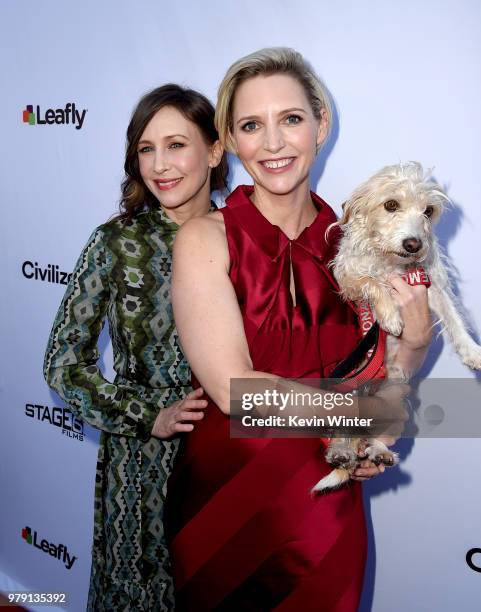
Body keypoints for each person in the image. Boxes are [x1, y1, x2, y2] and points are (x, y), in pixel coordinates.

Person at [164, 49, 432, 611]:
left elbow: (387, 379)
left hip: (322, 507)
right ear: (231, 142)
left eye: (290, 119)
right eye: (251, 126)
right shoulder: (204, 240)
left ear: (321, 124)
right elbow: (235, 393)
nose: (274, 143)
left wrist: (413, 343)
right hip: (223, 504)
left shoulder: (360, 249)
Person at [43, 84, 227, 611]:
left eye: (176, 145)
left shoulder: (245, 239)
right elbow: (63, 363)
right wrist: (149, 414)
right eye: (146, 149)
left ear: (214, 151)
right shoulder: (116, 243)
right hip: (141, 465)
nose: (160, 165)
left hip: (231, 451)